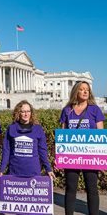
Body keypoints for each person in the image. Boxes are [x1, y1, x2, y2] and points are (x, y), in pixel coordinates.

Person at [60, 81, 105, 215]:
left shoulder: (94, 109)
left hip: (90, 156)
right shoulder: (67, 110)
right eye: (82, 89)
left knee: (92, 189)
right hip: (72, 157)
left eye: (87, 89)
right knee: (71, 188)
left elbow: (100, 134)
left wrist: (100, 157)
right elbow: (63, 133)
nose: (85, 91)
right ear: (76, 92)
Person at [0, 100, 55, 179]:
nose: (26, 114)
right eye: (23, 111)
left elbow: (42, 151)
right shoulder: (11, 128)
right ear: (18, 113)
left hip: (33, 172)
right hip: (15, 171)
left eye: (28, 111)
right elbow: (6, 150)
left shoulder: (38, 129)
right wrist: (1, 168)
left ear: (31, 113)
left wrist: (48, 169)